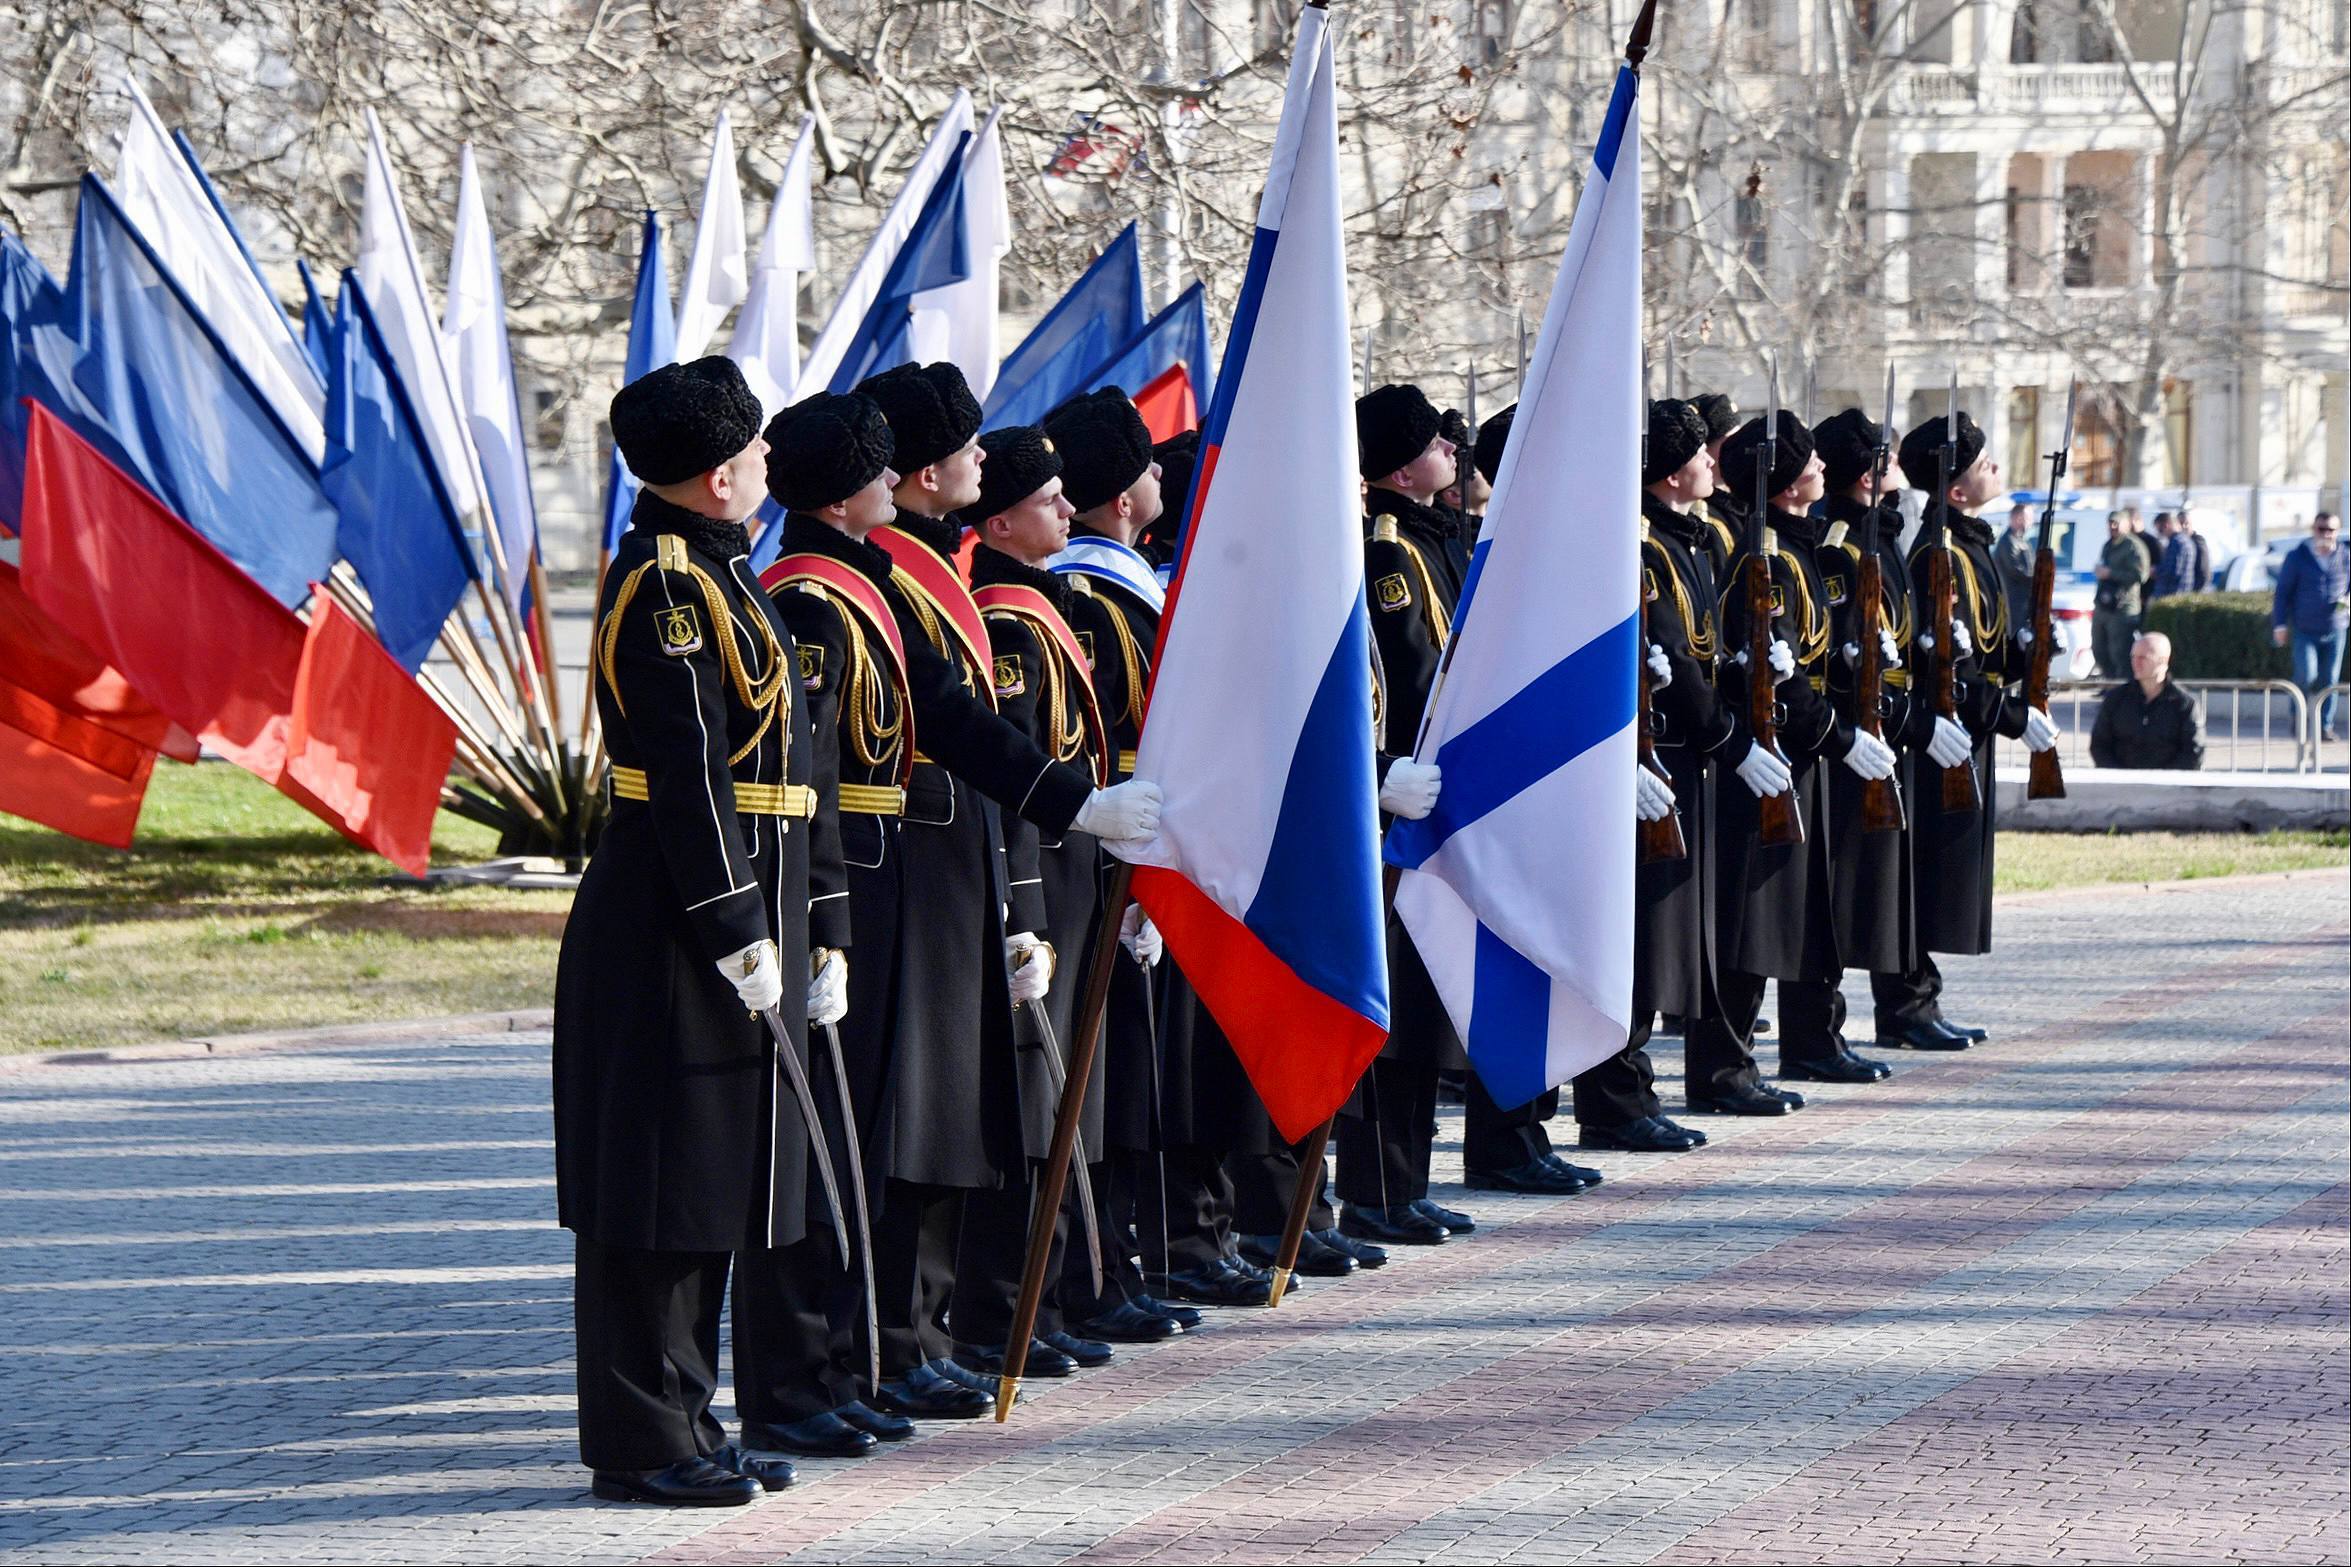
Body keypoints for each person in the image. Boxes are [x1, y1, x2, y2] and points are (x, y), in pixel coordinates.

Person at [760, 363, 1162, 1426]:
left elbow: (958, 714)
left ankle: (913, 1336)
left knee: (943, 1119)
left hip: (942, 867)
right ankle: (875, 1348)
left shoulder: (915, 572)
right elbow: (870, 747)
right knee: (893, 1125)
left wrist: (1071, 809)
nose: (981, 463)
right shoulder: (841, 585)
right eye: (968, 449)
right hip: (884, 872)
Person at [554, 355, 835, 1507]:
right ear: (721, 476)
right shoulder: (670, 588)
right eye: (756, 447)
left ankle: (689, 1421)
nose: (768, 461)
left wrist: (802, 921)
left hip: (732, 903)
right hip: (671, 917)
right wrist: (733, 920)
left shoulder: (720, 571)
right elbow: (686, 776)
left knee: (706, 1179)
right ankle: (643, 1441)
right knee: (657, 1188)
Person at [1347, 382, 1505, 1244]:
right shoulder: (1390, 554)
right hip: (1407, 798)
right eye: (1436, 444)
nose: (1452, 449)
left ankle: (1406, 1180)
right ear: (1402, 469)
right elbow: (1413, 677)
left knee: (1427, 1001)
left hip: (1441, 797)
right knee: (1398, 1006)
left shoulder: (1437, 539)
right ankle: (1377, 1185)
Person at [1874, 410, 2061, 1054]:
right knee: (1924, 872)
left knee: (1943, 872)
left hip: (1967, 735)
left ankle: (1922, 999)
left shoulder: (1969, 543)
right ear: (1955, 490)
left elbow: (1985, 644)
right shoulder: (1940, 553)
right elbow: (1946, 666)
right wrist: (2011, 715)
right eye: (1983, 464)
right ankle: (1906, 1005)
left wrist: (2031, 653)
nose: (1996, 468)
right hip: (1942, 738)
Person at [1572, 398, 1726, 1155]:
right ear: (1670, 473)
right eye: (1699, 454)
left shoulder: (1683, 541)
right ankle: (1613, 1099)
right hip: (1650, 756)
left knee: (1655, 936)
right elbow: (1668, 647)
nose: (1711, 462)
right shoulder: (1645, 547)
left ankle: (1631, 1091)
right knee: (1632, 935)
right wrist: (1721, 733)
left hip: (1674, 759)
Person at [1691, 410, 1847, 1118]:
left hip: (1790, 754)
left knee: (1782, 915)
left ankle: (1745, 1060)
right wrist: (1832, 733)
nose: (1821, 469)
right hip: (1761, 754)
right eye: (1809, 462)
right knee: (1746, 921)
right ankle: (1723, 1068)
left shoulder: (1794, 550)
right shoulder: (1767, 560)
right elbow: (1764, 664)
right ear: (1784, 484)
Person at [2272, 511, 2348, 737]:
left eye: (2331, 530)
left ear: (2337, 532)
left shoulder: (2344, 555)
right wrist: (2280, 625)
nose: (2326, 534)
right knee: (2306, 675)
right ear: (2313, 530)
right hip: (2305, 628)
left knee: (2330, 679)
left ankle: (2325, 726)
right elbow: (2282, 593)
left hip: (2335, 627)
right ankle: (2298, 720)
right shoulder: (2298, 557)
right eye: (2321, 529)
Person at [2090, 630, 2202, 769]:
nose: (2135, 663)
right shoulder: (2116, 699)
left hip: (2168, 781)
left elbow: (2193, 751)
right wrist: (2120, 775)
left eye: (2143, 658)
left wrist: (2162, 777)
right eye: (2133, 657)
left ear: (2163, 660)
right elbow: (2099, 745)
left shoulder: (2184, 703)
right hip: (2120, 779)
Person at [2091, 509, 2151, 676]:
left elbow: (2141, 575)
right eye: (2110, 523)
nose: (2113, 527)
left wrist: (2111, 573)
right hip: (2104, 605)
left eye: (2116, 523)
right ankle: (2109, 683)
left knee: (2119, 652)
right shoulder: (2108, 545)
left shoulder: (2133, 546)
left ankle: (2122, 685)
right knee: (2099, 648)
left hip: (2123, 607)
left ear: (2126, 524)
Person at [1995, 502, 2036, 632]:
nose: (2031, 521)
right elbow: (2016, 571)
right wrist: (2037, 580)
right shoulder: (2008, 542)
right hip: (2013, 602)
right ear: (2018, 518)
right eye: (2028, 518)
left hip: (2024, 601)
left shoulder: (2022, 541)